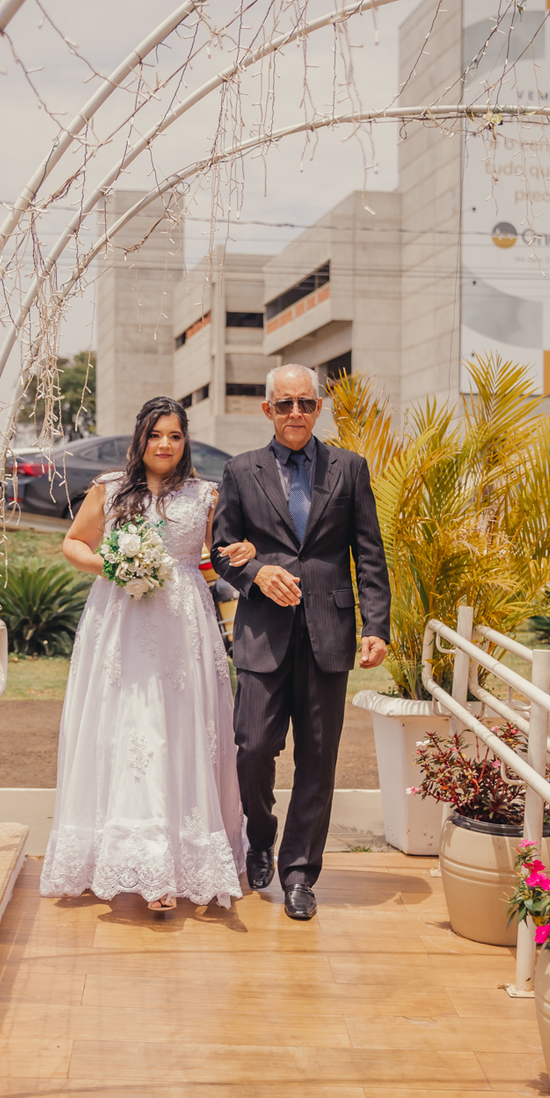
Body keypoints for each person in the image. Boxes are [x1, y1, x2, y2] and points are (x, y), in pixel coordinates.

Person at [41, 396, 255, 914]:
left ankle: (176, 864)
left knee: (178, 729)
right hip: (119, 622)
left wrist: (243, 551)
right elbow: (74, 543)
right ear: (141, 437)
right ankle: (109, 858)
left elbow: (216, 555)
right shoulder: (111, 489)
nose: (165, 444)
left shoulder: (206, 494)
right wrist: (111, 565)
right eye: (156, 434)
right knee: (124, 727)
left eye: (175, 436)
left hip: (184, 625)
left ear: (185, 441)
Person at [210, 363, 391, 921]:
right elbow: (220, 550)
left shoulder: (350, 469)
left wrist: (376, 626)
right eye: (285, 404)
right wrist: (256, 574)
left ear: (319, 408)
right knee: (253, 748)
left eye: (306, 404)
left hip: (329, 634)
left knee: (319, 759)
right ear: (267, 410)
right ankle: (260, 837)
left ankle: (299, 873)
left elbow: (369, 553)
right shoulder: (240, 471)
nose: (296, 414)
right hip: (263, 633)